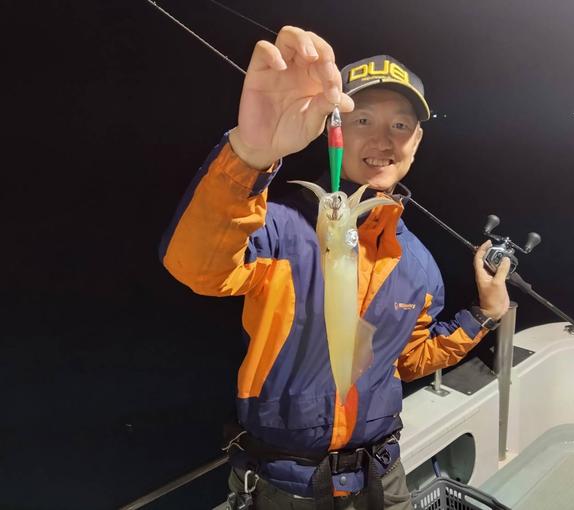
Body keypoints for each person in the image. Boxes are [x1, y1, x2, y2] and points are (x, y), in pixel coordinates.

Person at [160, 26, 510, 510]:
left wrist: (484, 314)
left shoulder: (419, 266)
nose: (383, 139)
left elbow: (409, 360)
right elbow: (197, 267)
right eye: (362, 119)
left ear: (416, 140)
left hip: (382, 475)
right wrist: (249, 156)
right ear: (334, 128)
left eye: (400, 125)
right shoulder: (276, 225)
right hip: (284, 485)